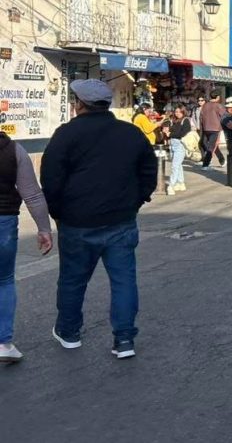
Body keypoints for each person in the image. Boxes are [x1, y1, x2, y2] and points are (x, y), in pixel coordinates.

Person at [40, 80, 157, 359]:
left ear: (79, 104)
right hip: (121, 221)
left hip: (77, 222)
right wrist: (136, 201)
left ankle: (69, 333)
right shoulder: (130, 133)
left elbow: (51, 179)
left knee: (72, 280)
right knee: (123, 281)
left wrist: (59, 212)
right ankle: (124, 340)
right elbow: (148, 171)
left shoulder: (66, 134)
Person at [0, 132, 53, 363]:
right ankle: (3, 343)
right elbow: (32, 194)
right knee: (3, 280)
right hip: (4, 222)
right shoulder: (13, 150)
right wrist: (44, 229)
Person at [164, 105, 192, 196]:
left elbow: (183, 133)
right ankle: (180, 183)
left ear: (183, 112)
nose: (177, 114)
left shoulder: (186, 120)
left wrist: (170, 134)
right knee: (178, 165)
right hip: (173, 144)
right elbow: (170, 129)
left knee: (174, 166)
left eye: (179, 112)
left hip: (180, 144)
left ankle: (171, 185)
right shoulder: (173, 120)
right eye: (176, 112)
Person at [199, 91, 227, 169]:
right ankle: (206, 164)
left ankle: (222, 161)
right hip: (215, 129)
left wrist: (201, 128)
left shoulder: (204, 106)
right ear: (217, 97)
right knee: (211, 147)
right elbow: (224, 117)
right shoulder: (219, 106)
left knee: (212, 146)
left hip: (205, 129)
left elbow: (200, 118)